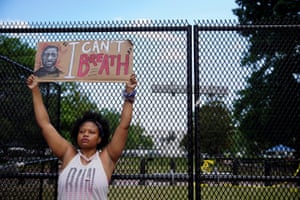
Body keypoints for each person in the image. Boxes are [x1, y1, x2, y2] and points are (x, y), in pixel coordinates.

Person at [26, 74, 137, 200]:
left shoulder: (107, 158)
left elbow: (123, 126)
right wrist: (35, 89)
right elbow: (45, 125)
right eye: (82, 131)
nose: (85, 134)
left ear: (99, 138)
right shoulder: (68, 154)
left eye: (91, 132)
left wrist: (129, 93)